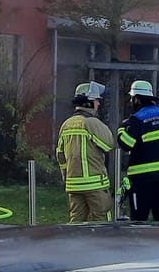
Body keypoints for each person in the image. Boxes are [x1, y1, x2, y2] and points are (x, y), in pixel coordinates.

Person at [117, 79, 159, 221]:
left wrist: (122, 129)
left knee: (139, 222)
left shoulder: (136, 120)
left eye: (132, 99)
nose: (130, 102)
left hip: (141, 182)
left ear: (137, 100)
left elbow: (125, 144)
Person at [56, 81, 115, 223]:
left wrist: (66, 177)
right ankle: (99, 246)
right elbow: (108, 144)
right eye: (96, 100)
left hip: (73, 185)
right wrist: (100, 124)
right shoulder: (91, 123)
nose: (99, 104)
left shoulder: (66, 124)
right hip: (94, 186)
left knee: (76, 222)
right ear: (88, 102)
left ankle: (75, 246)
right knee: (101, 223)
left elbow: (60, 156)